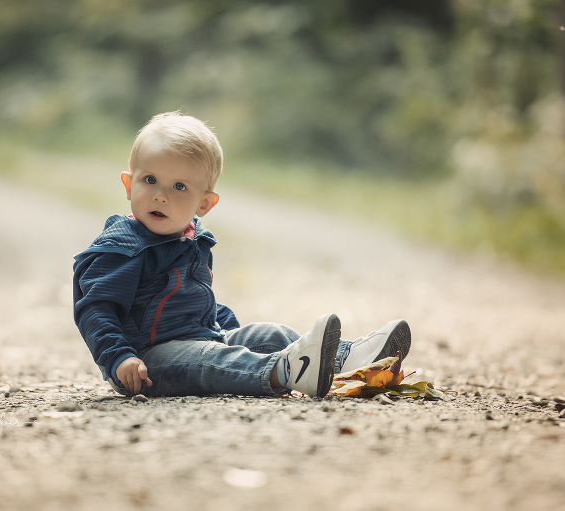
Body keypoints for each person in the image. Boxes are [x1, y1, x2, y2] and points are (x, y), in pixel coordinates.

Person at [73, 111, 411, 398]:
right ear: (129, 185)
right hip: (146, 361)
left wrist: (231, 334)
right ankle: (286, 371)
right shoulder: (123, 246)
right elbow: (95, 309)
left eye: (179, 187)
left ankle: (348, 360)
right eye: (150, 180)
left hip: (199, 339)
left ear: (204, 204)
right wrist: (119, 359)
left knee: (270, 333)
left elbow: (196, 303)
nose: (161, 196)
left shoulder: (192, 241)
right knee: (210, 358)